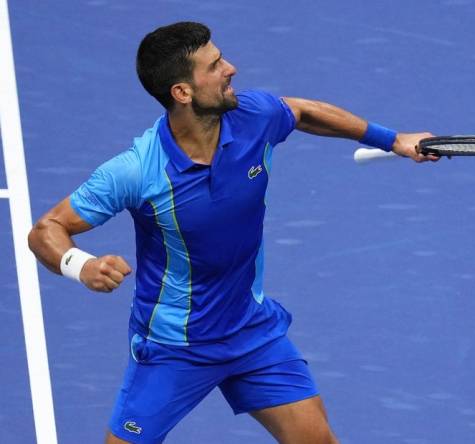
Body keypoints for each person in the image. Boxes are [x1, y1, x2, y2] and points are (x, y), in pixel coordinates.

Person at [28, 21, 438, 444]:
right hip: (174, 347)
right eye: (215, 65)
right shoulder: (137, 171)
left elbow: (302, 111)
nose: (231, 68)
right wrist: (83, 265)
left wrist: (393, 140)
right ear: (182, 93)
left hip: (250, 331)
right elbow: (47, 229)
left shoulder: (253, 117)